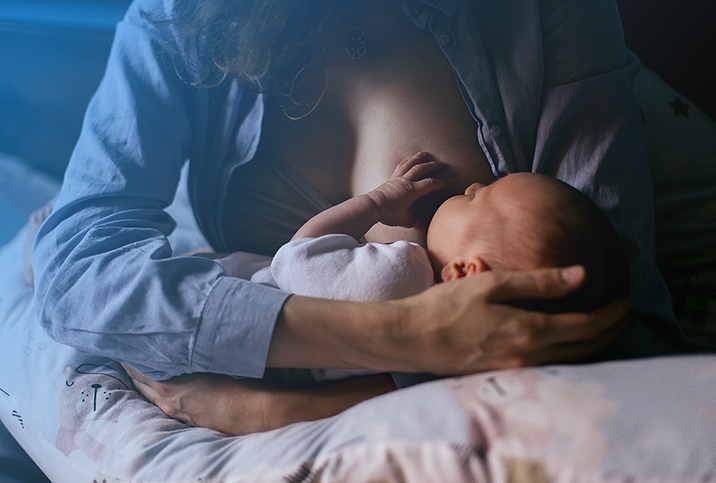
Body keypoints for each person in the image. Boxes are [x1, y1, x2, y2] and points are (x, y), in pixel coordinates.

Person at [32, 0, 681, 435]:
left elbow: (611, 320)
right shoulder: (185, 18)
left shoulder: (542, 15)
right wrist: (407, 335)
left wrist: (273, 407)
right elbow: (78, 278)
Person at [239, 151, 629, 384]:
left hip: (242, 325)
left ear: (464, 273)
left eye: (479, 198)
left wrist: (378, 203)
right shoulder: (462, 361)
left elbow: (296, 259)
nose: (474, 185)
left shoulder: (402, 274)